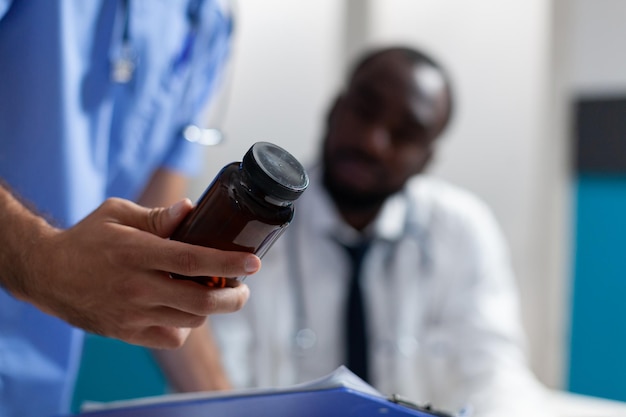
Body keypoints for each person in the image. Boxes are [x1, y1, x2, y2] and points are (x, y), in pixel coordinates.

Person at [211, 46, 554, 417]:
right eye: (364, 111)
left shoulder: (462, 229)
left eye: (405, 134)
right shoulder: (251, 222)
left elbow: (496, 373)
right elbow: (218, 380)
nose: (372, 142)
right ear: (335, 109)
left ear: (427, 158)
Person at [0, 1, 261, 416]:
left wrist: (232, 407)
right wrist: (39, 261)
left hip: (32, 392)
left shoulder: (206, 22)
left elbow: (165, 248)